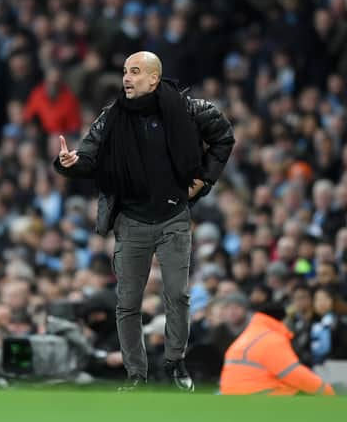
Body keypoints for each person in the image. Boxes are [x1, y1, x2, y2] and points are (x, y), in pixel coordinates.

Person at [54, 51, 235, 391]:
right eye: (124, 71)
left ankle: (176, 362)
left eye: (135, 72)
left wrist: (206, 178)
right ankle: (136, 375)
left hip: (173, 217)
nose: (126, 78)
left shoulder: (188, 110)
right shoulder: (112, 117)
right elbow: (88, 156)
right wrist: (69, 162)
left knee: (177, 295)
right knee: (127, 303)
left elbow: (224, 136)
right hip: (132, 220)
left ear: (154, 78)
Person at [220, 304, 335, 396]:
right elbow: (294, 374)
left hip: (232, 396)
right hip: (260, 397)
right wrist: (328, 391)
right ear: (282, 320)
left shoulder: (248, 336)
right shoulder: (271, 339)